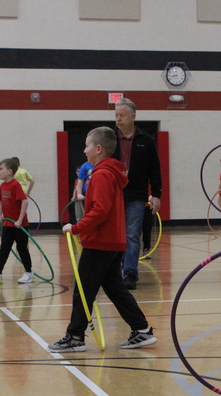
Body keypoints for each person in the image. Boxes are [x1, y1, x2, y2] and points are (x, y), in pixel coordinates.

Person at [49, 126, 157, 353]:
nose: (84, 150)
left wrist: (76, 227)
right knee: (115, 288)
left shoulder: (101, 175)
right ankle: (142, 330)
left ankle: (75, 336)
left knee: (83, 289)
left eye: (87, 145)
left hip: (100, 242)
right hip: (112, 242)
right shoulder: (110, 173)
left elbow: (100, 210)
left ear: (98, 149)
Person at [112, 98, 162, 290]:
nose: (118, 119)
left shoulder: (146, 141)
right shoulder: (109, 139)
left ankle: (130, 274)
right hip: (113, 195)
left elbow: (155, 169)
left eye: (122, 115)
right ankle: (115, 271)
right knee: (116, 235)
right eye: (116, 115)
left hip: (136, 195)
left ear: (133, 116)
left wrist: (156, 194)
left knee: (133, 234)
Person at [0, 158, 34, 285]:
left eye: (1, 169)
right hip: (7, 224)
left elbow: (25, 201)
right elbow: (1, 201)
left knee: (22, 248)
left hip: (19, 225)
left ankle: (28, 273)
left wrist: (19, 220)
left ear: (10, 171)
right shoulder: (2, 186)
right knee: (4, 248)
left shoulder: (15, 185)